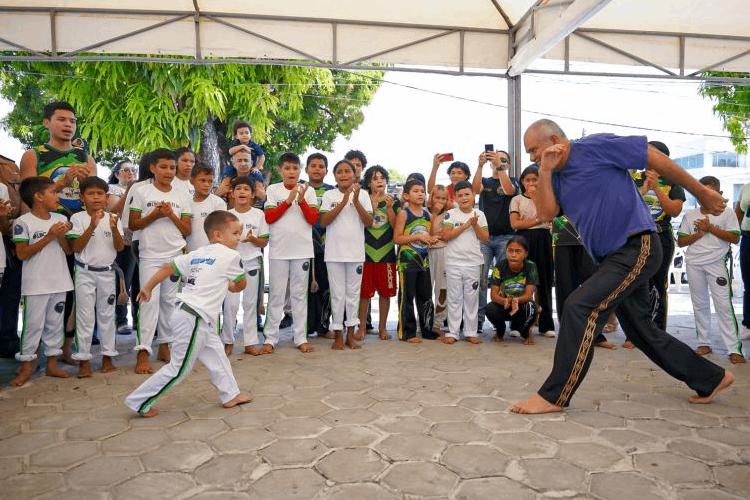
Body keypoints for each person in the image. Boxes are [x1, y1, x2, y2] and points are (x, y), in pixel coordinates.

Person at [511, 119, 733, 414]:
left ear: (553, 138)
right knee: (642, 332)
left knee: (578, 306)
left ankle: (554, 395)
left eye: (533, 150)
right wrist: (546, 171)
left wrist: (700, 192)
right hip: (610, 258)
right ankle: (711, 378)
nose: (531, 158)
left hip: (636, 246)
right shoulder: (554, 176)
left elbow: (653, 156)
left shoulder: (595, 146)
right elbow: (548, 213)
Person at [124, 210, 252, 417]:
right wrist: (232, 286)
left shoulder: (196, 254)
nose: (239, 238)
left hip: (192, 315)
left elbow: (168, 267)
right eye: (236, 233)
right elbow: (240, 284)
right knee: (180, 367)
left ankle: (230, 395)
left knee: (216, 355)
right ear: (218, 235)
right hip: (194, 316)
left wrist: (147, 286)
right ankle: (140, 401)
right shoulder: (232, 256)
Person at [19, 101, 96, 363]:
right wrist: (61, 182)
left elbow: (94, 194)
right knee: (42, 290)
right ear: (47, 123)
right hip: (45, 229)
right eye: (61, 119)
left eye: (72, 121)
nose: (68, 125)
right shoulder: (34, 155)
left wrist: (88, 181)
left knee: (73, 290)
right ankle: (31, 351)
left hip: (78, 228)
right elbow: (27, 194)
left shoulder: (85, 157)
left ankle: (65, 347)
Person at [129, 148, 192, 374]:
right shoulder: (141, 191)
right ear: (152, 168)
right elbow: (133, 224)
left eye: (172, 167)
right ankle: (143, 351)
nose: (168, 171)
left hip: (174, 254)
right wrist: (155, 215)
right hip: (150, 255)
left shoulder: (182, 194)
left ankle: (165, 345)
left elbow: (187, 228)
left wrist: (170, 214)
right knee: (148, 300)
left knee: (169, 301)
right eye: (163, 167)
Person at [10, 177, 73, 386]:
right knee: (33, 326)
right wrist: (49, 236)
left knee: (55, 324)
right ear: (38, 196)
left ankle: (52, 364)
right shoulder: (23, 222)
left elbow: (67, 249)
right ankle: (27, 365)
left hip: (60, 280)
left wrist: (61, 235)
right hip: (36, 284)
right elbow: (22, 254)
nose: (58, 196)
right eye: (53, 192)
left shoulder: (59, 218)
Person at [677, 176, 745, 364]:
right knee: (699, 304)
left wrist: (710, 228)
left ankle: (734, 349)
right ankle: (703, 342)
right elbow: (681, 241)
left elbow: (734, 238)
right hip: (694, 263)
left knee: (723, 305)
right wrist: (699, 234)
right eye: (701, 192)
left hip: (716, 263)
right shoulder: (690, 215)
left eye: (709, 192)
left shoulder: (728, 213)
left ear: (719, 193)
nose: (705, 197)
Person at [66, 176, 125, 377]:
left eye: (100, 193)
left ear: (107, 197)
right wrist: (92, 225)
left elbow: (119, 247)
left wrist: (113, 228)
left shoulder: (113, 218)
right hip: (84, 272)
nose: (96, 197)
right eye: (91, 194)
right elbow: (75, 247)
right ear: (82, 197)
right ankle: (83, 359)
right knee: (85, 316)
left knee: (107, 315)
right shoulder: (78, 219)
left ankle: (108, 357)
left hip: (107, 273)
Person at [628, 140, 685, 343]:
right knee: (636, 284)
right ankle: (636, 332)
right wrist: (644, 188)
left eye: (653, 155)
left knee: (658, 284)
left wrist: (657, 188)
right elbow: (626, 206)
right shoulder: (633, 179)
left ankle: (658, 331)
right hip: (637, 237)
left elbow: (674, 210)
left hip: (661, 236)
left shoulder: (673, 182)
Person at [262, 152, 319, 354]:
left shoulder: (308, 190)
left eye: (295, 168)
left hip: (302, 251)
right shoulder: (273, 189)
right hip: (278, 250)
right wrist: (288, 201)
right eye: (287, 168)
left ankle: (300, 338)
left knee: (298, 296)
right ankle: (270, 338)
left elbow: (313, 219)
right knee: (276, 296)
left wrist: (301, 200)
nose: (291, 172)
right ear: (280, 170)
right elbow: (269, 217)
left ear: (300, 170)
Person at [319, 160, 373, 350]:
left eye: (347, 171)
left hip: (355, 254)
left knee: (352, 295)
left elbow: (369, 222)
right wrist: (344, 202)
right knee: (337, 295)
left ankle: (351, 335)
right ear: (334, 176)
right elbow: (323, 221)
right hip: (333, 254)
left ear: (354, 174)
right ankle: (338, 336)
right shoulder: (328, 195)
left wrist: (356, 201)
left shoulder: (364, 195)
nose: (343, 175)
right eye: (339, 172)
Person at [473, 149, 519, 334]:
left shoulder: (512, 180)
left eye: (503, 160)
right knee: (481, 280)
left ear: (507, 164)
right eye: (496, 159)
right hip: (484, 238)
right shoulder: (485, 181)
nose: (499, 161)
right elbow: (475, 190)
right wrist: (480, 165)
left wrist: (500, 168)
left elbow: (509, 191)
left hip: (506, 238)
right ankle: (477, 322)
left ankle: (508, 321)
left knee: (505, 279)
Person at [552, 215, 615, 349]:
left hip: (589, 237)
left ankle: (595, 334)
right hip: (562, 237)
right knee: (565, 287)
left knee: (593, 287)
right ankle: (568, 335)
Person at [222, 176, 269, 355]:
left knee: (250, 303)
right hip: (231, 265)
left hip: (252, 262)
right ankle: (228, 341)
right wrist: (234, 239)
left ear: (252, 195)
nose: (242, 191)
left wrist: (252, 239)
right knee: (231, 304)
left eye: (246, 189)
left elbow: (264, 242)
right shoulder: (227, 215)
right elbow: (220, 241)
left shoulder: (259, 214)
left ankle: (250, 343)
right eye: (238, 189)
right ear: (232, 194)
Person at [438, 180, 489, 344]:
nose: (464, 198)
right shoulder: (450, 214)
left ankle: (471, 331)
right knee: (454, 298)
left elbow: (485, 238)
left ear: (473, 196)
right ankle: (453, 332)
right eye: (460, 195)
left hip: (473, 263)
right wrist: (466, 225)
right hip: (453, 263)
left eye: (467, 194)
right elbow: (446, 236)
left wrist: (474, 226)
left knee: (471, 298)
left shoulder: (480, 214)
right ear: (455, 198)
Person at [510, 165, 555, 337]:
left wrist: (537, 199)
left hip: (543, 240)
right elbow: (515, 224)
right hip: (523, 240)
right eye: (527, 180)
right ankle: (517, 324)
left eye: (534, 179)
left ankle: (546, 325)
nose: (531, 183)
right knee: (519, 281)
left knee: (543, 280)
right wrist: (538, 219)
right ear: (522, 181)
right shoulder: (516, 200)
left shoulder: (547, 198)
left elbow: (549, 217)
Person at [393, 179, 439, 343]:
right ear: (406, 195)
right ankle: (407, 332)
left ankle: (427, 330)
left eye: (422, 191)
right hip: (407, 261)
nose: (420, 194)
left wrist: (433, 239)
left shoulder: (427, 214)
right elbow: (397, 238)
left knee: (425, 296)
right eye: (416, 191)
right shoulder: (404, 214)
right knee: (407, 296)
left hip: (423, 261)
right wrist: (418, 236)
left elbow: (430, 235)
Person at [359, 165, 399, 341]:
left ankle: (382, 328)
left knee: (385, 293)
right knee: (364, 293)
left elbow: (396, 227)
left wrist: (389, 209)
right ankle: (361, 328)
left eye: (382, 178)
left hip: (386, 253)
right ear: (369, 182)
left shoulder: (393, 201)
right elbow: (362, 224)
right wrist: (372, 207)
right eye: (375, 178)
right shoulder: (363, 199)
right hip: (365, 253)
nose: (379, 181)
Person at [486, 236, 540, 343]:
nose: (513, 254)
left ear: (525, 254)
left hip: (521, 305)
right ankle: (500, 331)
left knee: (533, 307)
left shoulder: (531, 267)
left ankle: (525, 332)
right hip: (504, 305)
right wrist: (505, 301)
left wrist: (516, 300)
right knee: (489, 308)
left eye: (518, 251)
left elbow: (529, 295)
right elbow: (493, 295)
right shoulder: (499, 266)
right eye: (510, 251)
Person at [305, 153, 334, 339]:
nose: (317, 169)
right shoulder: (300, 189)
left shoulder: (333, 192)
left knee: (325, 287)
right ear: (306, 169)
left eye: (321, 166)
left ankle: (324, 326)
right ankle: (304, 328)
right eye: (313, 165)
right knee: (304, 289)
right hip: (303, 246)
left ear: (326, 170)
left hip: (328, 247)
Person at [186, 164, 227, 251]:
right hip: (191, 253)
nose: (207, 185)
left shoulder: (218, 203)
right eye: (203, 180)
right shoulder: (186, 202)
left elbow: (222, 230)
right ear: (191, 180)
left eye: (210, 181)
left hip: (212, 253)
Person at [427, 185, 449, 336]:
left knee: (442, 289)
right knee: (426, 288)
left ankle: (438, 323)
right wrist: (433, 214)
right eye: (437, 197)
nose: (440, 201)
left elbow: (446, 234)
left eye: (443, 198)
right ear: (431, 197)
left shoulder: (449, 214)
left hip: (443, 252)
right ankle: (425, 322)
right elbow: (428, 233)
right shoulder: (424, 213)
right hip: (426, 252)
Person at [734, 182, 750, 340]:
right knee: (749, 282)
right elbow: (738, 212)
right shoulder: (746, 187)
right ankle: (748, 324)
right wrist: (734, 232)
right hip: (748, 236)